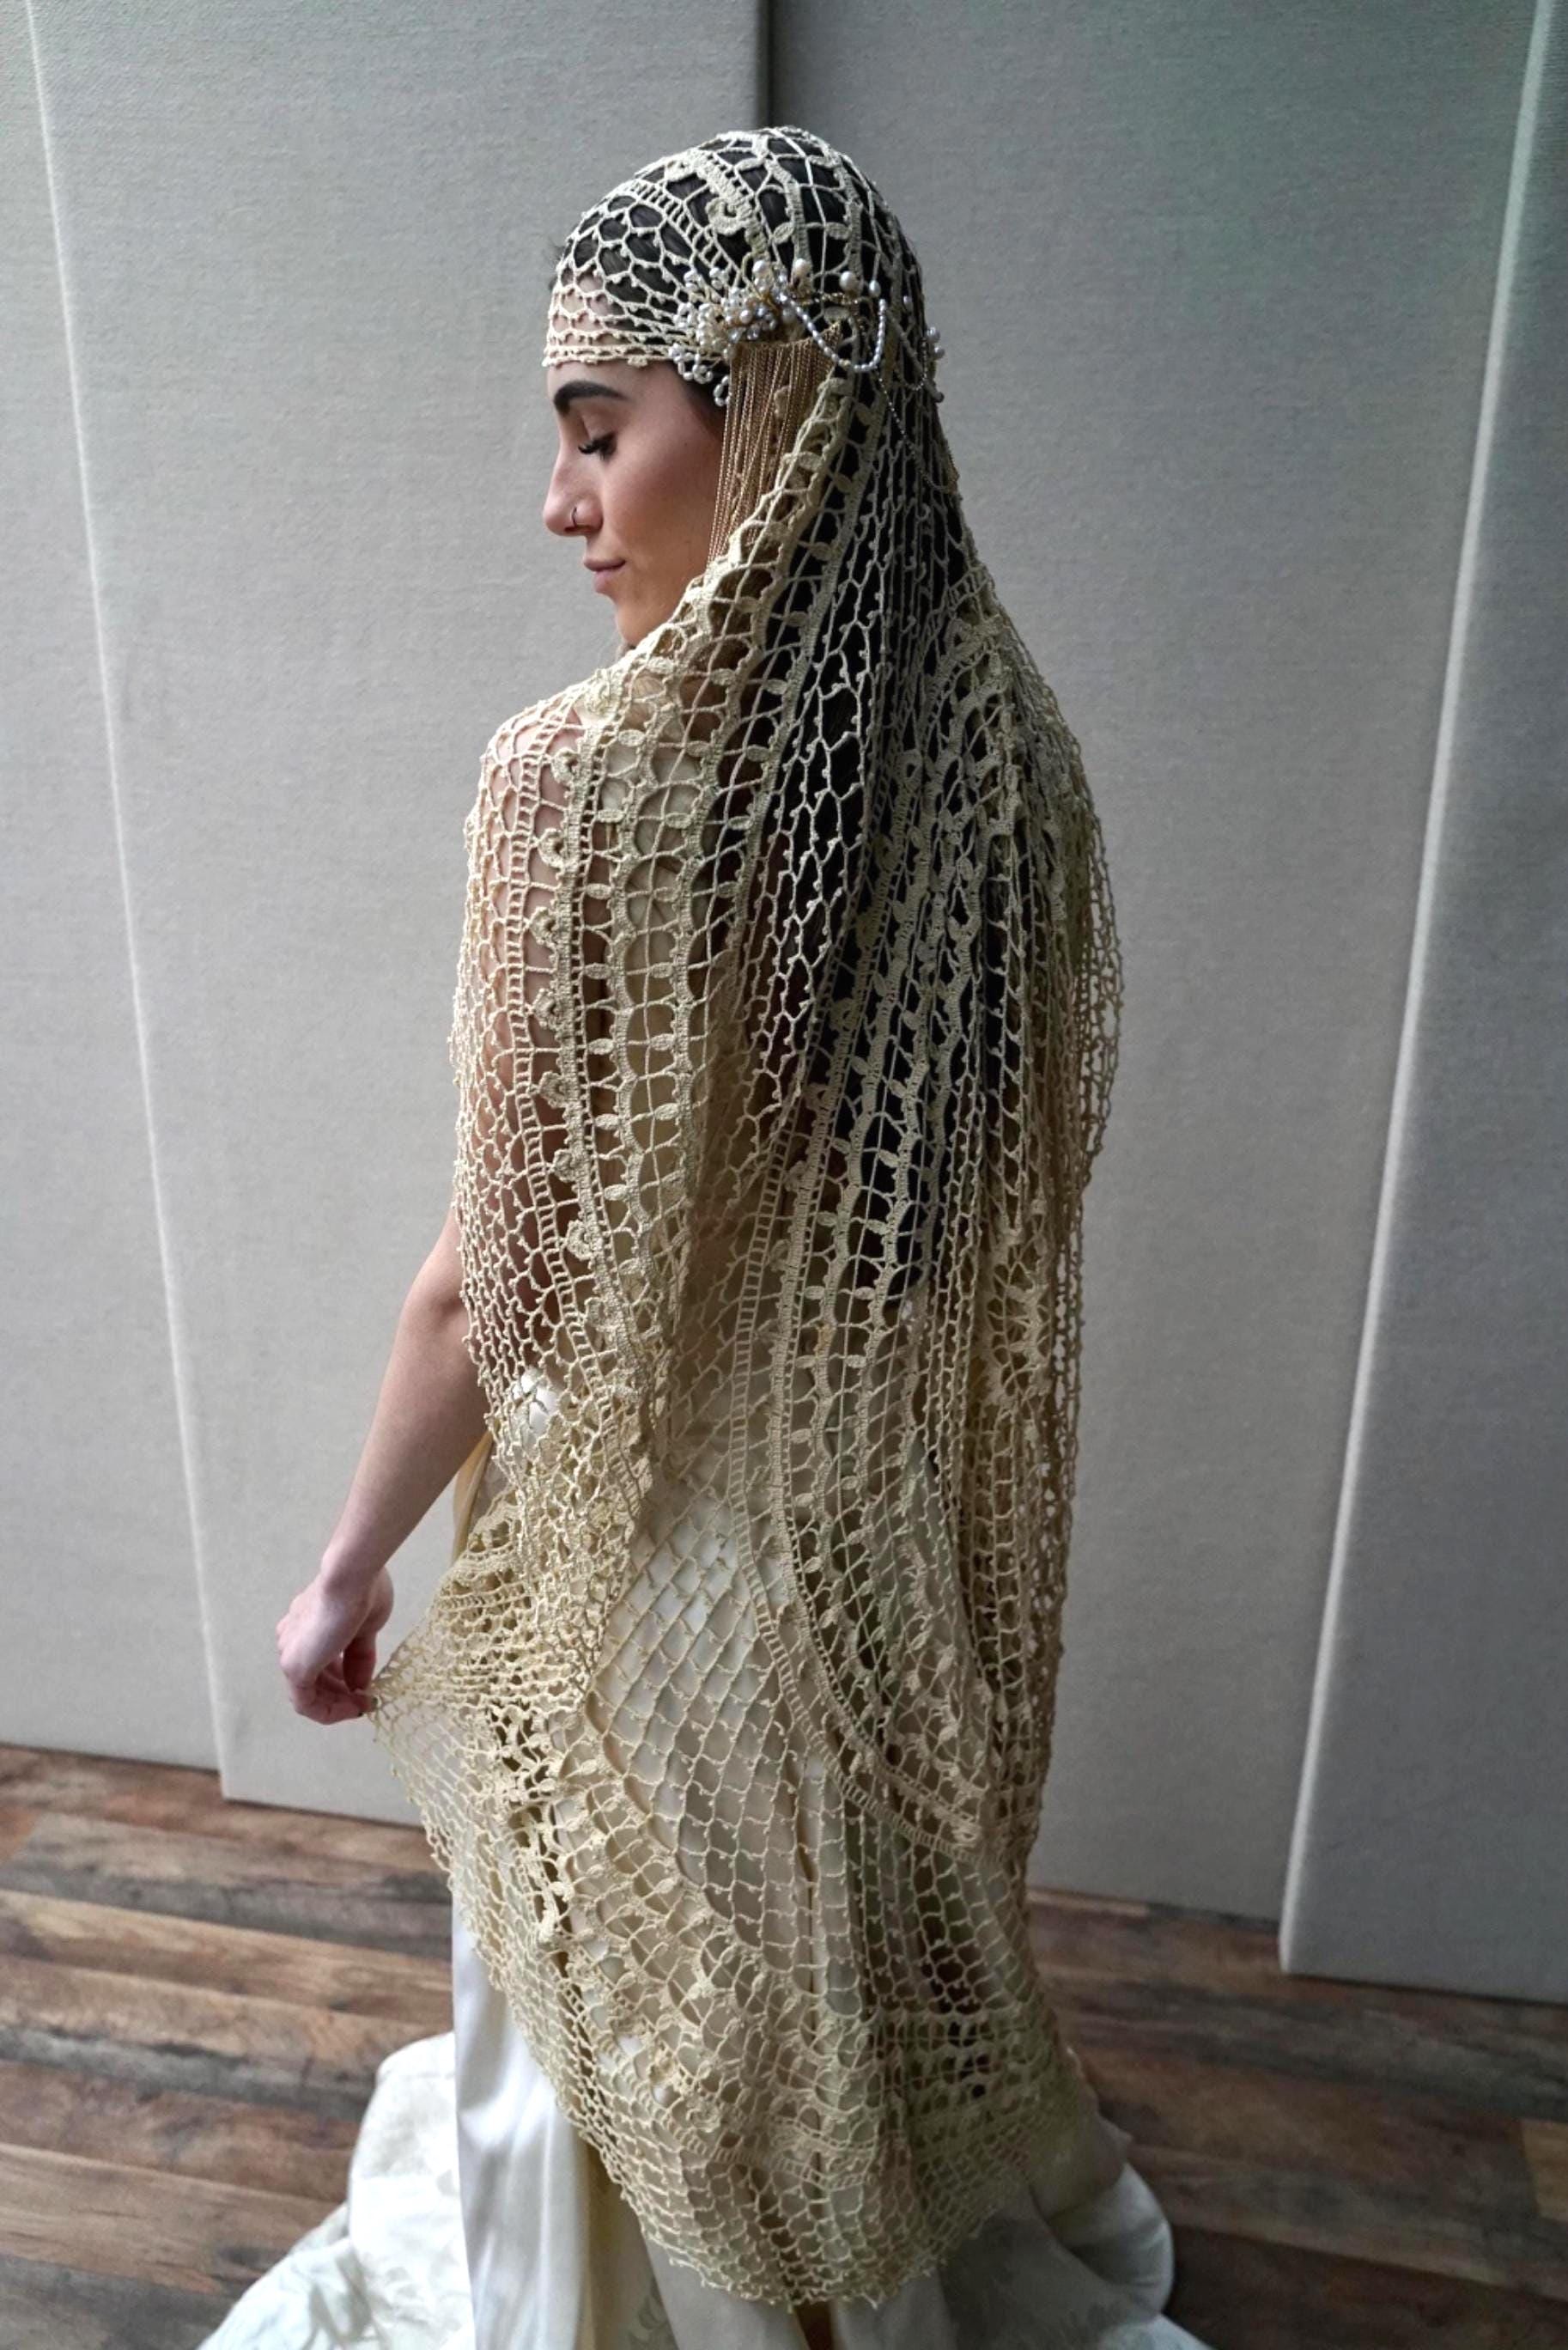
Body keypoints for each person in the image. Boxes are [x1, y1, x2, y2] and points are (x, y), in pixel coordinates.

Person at [242, 125, 1215, 2350]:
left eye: (600, 431)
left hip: (639, 1580)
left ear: (764, 401)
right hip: (866, 1555)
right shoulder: (1017, 774)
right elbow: (967, 1226)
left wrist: (344, 1569)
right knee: (824, 2042)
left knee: (642, 2062)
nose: (559, 502)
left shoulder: (578, 789)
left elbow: (495, 1283)